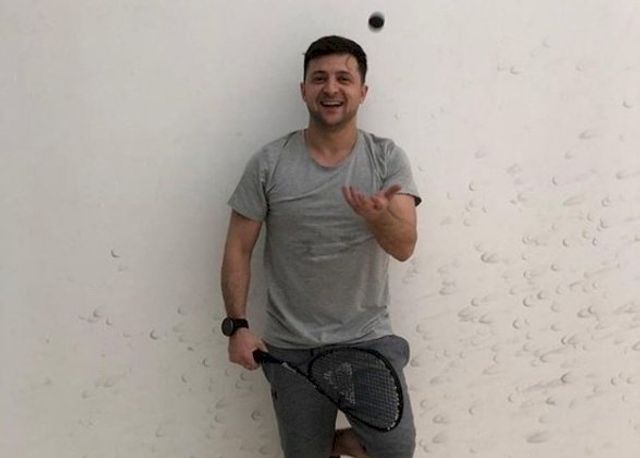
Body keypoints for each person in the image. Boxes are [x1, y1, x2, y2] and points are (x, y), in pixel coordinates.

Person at [220, 35, 421, 458]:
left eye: (344, 78)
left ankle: (332, 444)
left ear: (363, 91)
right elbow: (238, 248)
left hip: (366, 340)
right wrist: (237, 326)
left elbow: (404, 246)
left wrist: (378, 217)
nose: (331, 88)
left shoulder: (387, 158)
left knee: (394, 451)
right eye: (319, 78)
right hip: (291, 349)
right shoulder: (268, 162)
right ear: (303, 89)